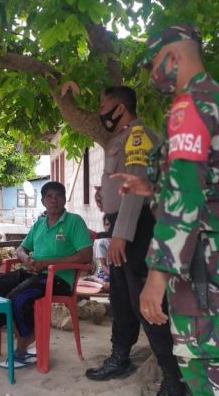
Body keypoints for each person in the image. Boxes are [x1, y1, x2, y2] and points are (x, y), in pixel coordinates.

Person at [112, 23, 219, 395]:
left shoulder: (190, 105)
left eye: (152, 64)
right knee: (218, 359)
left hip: (200, 256)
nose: (151, 75)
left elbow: (185, 198)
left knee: (203, 367)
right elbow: (209, 182)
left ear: (173, 56)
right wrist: (150, 187)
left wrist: (157, 276)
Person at [85, 86, 185, 396]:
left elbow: (137, 187)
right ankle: (120, 357)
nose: (100, 112)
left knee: (147, 303)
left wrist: (121, 234)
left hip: (138, 228)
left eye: (104, 105)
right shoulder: (120, 139)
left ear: (120, 108)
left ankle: (174, 377)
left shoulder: (138, 136)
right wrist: (105, 198)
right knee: (121, 300)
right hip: (121, 226)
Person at [0, 181, 93, 369]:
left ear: (64, 199)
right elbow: (21, 249)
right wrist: (26, 260)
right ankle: (24, 333)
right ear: (43, 201)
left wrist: (48, 263)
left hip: (58, 278)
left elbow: (86, 255)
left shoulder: (74, 221)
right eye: (49, 196)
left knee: (18, 298)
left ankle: (21, 348)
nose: (54, 200)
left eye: (58, 196)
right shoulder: (40, 223)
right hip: (31, 272)